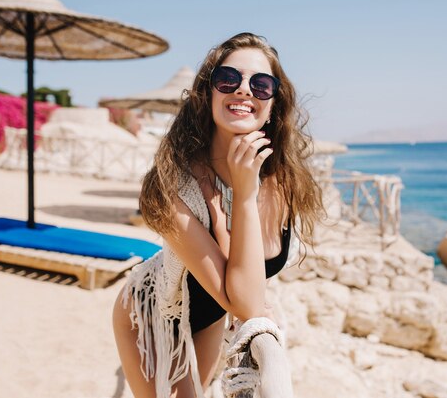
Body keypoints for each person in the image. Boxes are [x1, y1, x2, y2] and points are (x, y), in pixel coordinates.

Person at [112, 32, 323, 398]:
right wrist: (243, 196)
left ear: (273, 104)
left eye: (261, 84)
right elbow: (241, 300)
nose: (243, 90)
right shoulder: (174, 184)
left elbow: (242, 290)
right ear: (208, 93)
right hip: (154, 313)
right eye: (228, 79)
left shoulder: (284, 179)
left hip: (210, 315)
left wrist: (247, 189)